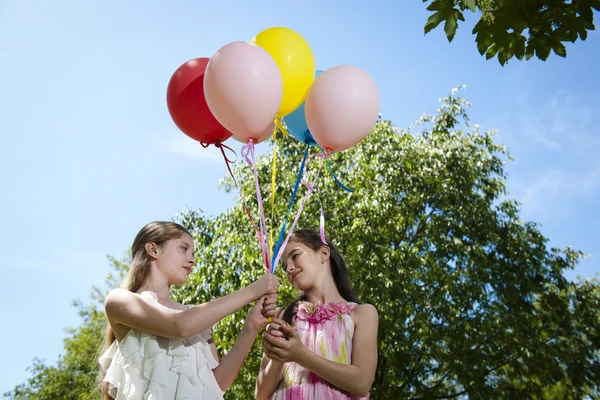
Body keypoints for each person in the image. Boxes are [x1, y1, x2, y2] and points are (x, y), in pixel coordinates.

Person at [98, 221, 280, 400]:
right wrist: (254, 290)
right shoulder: (118, 300)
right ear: (153, 250)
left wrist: (251, 326)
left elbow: (216, 384)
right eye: (183, 248)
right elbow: (179, 326)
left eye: (192, 253)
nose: (192, 259)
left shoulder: (196, 318)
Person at [256, 228, 378, 400]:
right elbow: (260, 394)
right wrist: (280, 353)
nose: (289, 268)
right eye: (284, 267)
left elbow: (362, 383)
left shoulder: (362, 313)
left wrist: (300, 355)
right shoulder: (282, 316)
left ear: (323, 253)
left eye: (295, 255)